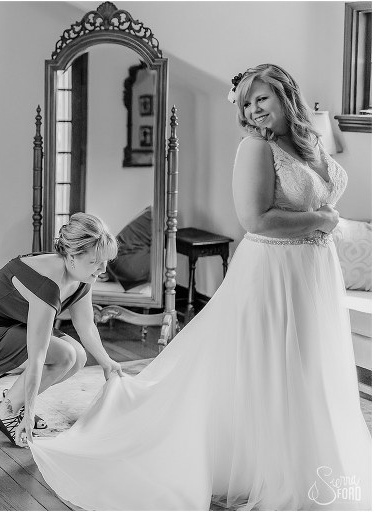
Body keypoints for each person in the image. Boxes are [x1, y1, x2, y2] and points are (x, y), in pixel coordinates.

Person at [30, 64, 371, 510]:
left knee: (309, 367)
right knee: (269, 366)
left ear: (287, 94)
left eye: (261, 99)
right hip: (275, 269)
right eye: (247, 103)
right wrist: (323, 220)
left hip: (315, 271)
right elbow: (255, 220)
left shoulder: (310, 142)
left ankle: (308, 464)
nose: (254, 110)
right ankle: (260, 467)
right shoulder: (255, 147)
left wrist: (321, 226)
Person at [0, 213, 124, 447]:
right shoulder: (47, 280)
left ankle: (13, 402)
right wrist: (29, 412)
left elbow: (85, 325)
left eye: (106, 261)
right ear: (72, 256)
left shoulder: (81, 275)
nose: (102, 269)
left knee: (79, 356)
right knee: (65, 355)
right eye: (96, 262)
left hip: (10, 324)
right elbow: (37, 358)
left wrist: (107, 362)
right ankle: (7, 411)